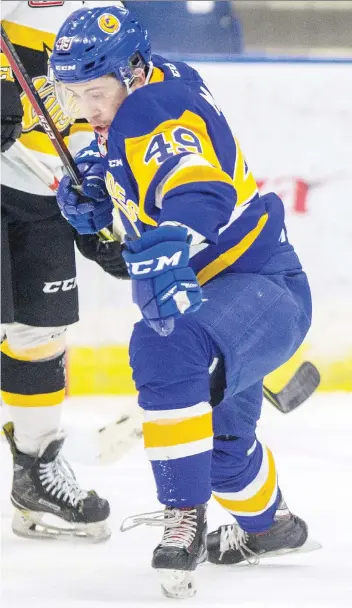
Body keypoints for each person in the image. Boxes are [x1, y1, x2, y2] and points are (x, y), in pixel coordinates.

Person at [51, 4, 318, 597]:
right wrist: (103, 190)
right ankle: (271, 527)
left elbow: (195, 182)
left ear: (135, 71)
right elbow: (136, 165)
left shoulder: (152, 110)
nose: (87, 110)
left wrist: (171, 240)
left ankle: (183, 521)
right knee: (224, 455)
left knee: (163, 340)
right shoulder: (153, 85)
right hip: (230, 300)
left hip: (259, 285)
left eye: (97, 92)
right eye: (74, 96)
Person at [1, 0, 128, 542]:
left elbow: (101, 108)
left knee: (40, 333)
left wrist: (92, 198)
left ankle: (35, 474)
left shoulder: (105, 9)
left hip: (44, 188)